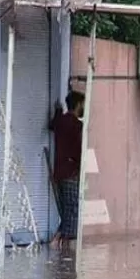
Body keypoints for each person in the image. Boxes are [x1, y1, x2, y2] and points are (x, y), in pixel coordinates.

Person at [48, 90, 85, 248]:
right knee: (72, 208)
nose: (83, 107)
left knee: (66, 208)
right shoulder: (77, 124)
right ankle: (62, 242)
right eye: (82, 105)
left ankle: (59, 240)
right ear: (77, 105)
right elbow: (78, 150)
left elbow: (51, 125)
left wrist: (57, 111)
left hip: (59, 172)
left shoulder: (60, 121)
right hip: (71, 172)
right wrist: (79, 166)